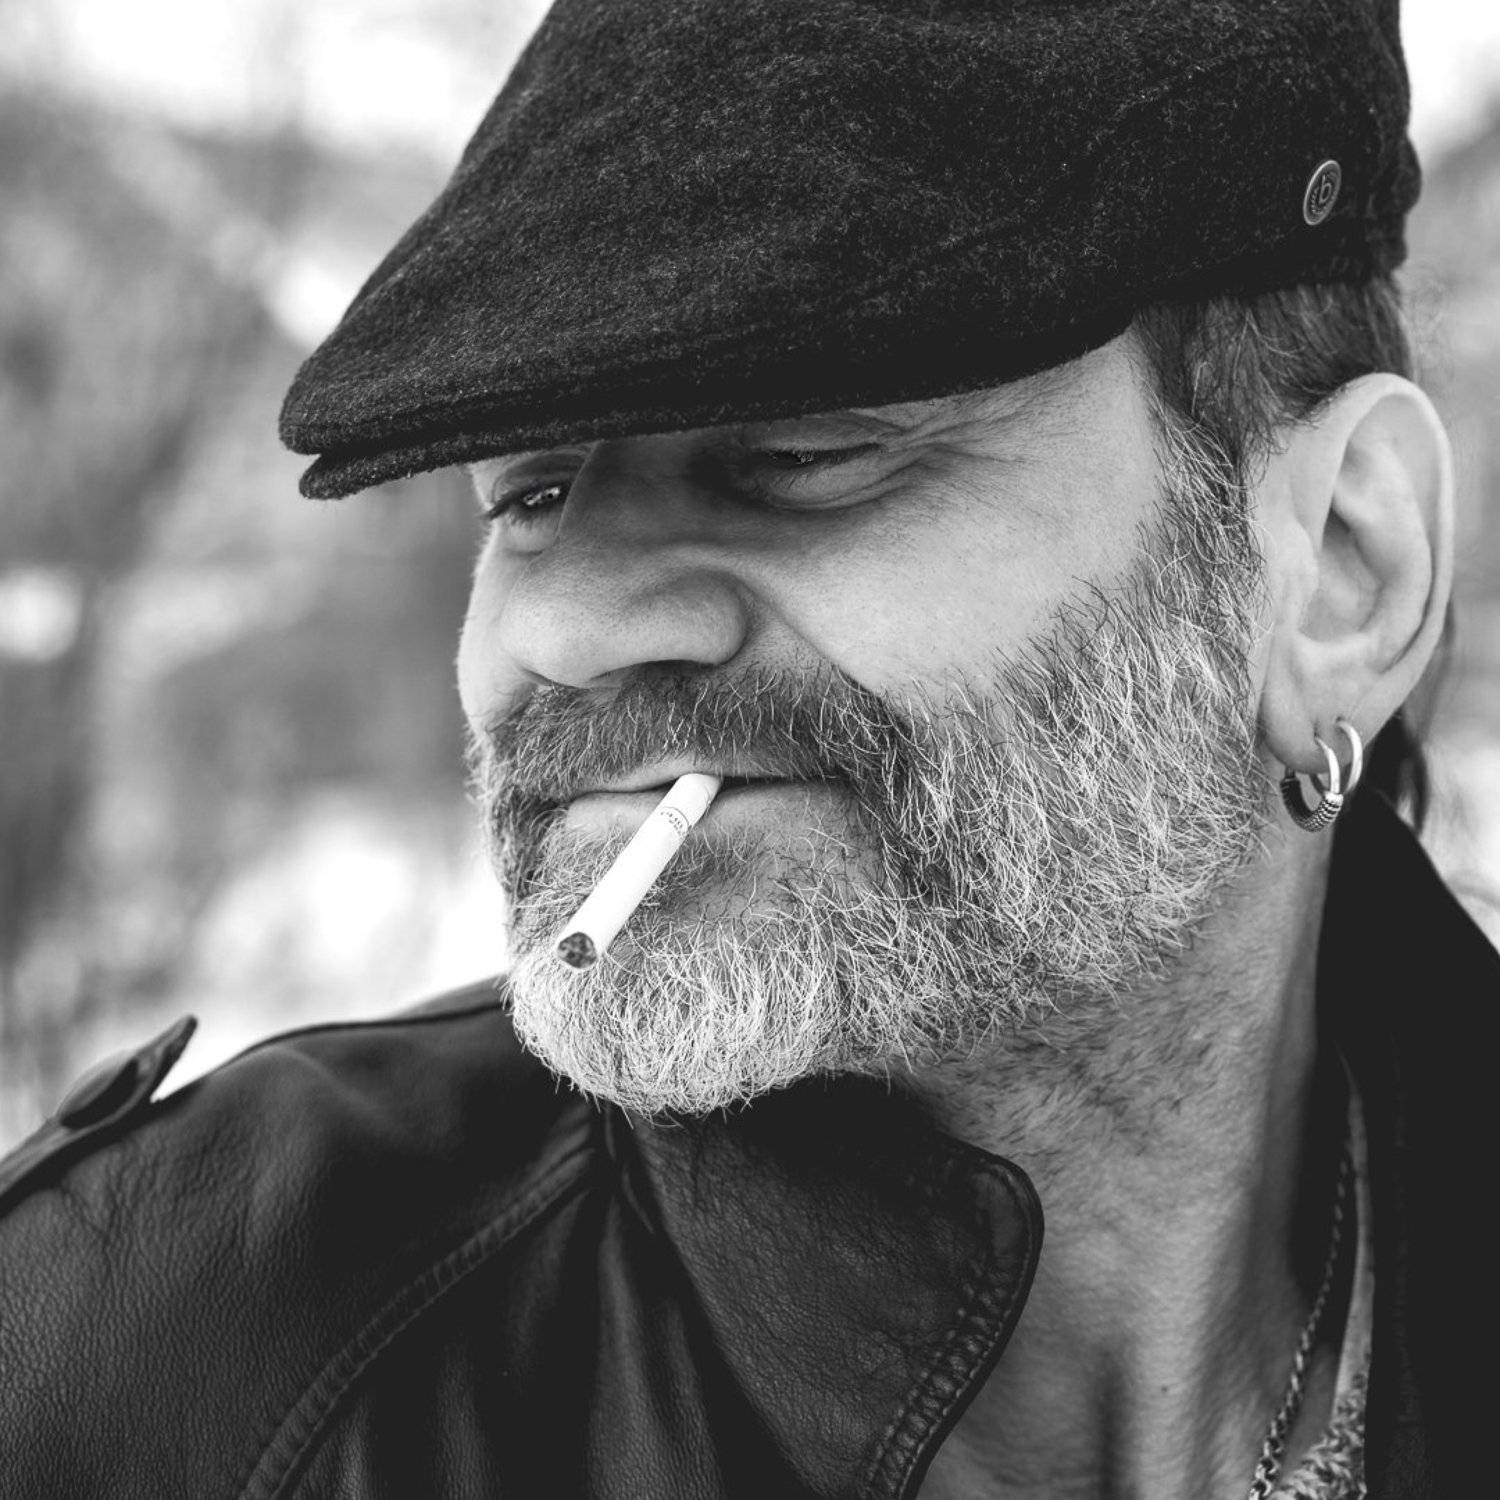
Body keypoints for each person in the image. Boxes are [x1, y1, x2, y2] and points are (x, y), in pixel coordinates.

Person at [1, 1, 1494, 1495]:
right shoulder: (147, 1371)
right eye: (529, 497)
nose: (564, 632)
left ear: (1340, 572)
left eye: (803, 458)